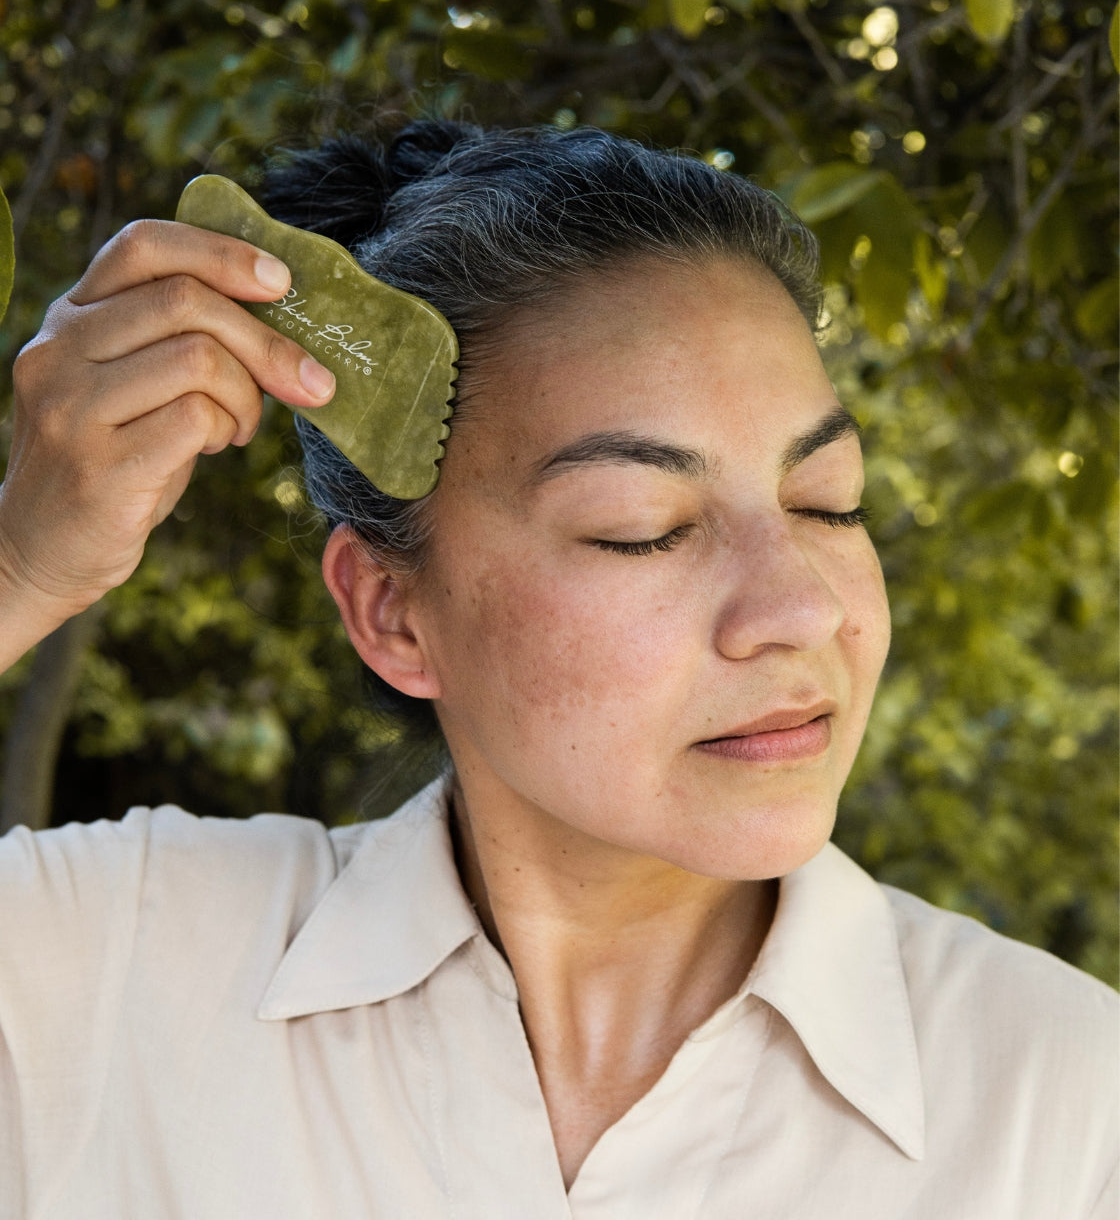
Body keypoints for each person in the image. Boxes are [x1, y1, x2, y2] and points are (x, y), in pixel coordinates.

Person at [0, 121, 1114, 1219]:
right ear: (393, 612)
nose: (800, 607)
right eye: (642, 526)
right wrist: (19, 564)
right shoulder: (108, 971)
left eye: (827, 500)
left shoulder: (1063, 1104)